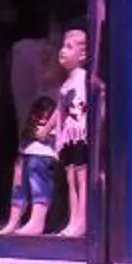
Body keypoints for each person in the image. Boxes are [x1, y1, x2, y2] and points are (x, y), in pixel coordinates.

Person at [51, 24, 93, 237]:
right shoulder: (65, 84)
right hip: (68, 136)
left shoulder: (84, 78)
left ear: (83, 54)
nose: (63, 51)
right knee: (70, 178)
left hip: (80, 134)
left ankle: (82, 219)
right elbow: (59, 113)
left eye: (69, 47)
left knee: (81, 177)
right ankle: (74, 218)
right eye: (63, 46)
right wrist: (56, 136)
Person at [5, 96, 60, 235]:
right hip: (27, 155)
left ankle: (37, 221)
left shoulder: (53, 133)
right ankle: (13, 221)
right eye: (38, 118)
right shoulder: (28, 136)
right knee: (18, 187)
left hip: (43, 157)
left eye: (45, 118)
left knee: (38, 183)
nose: (41, 121)